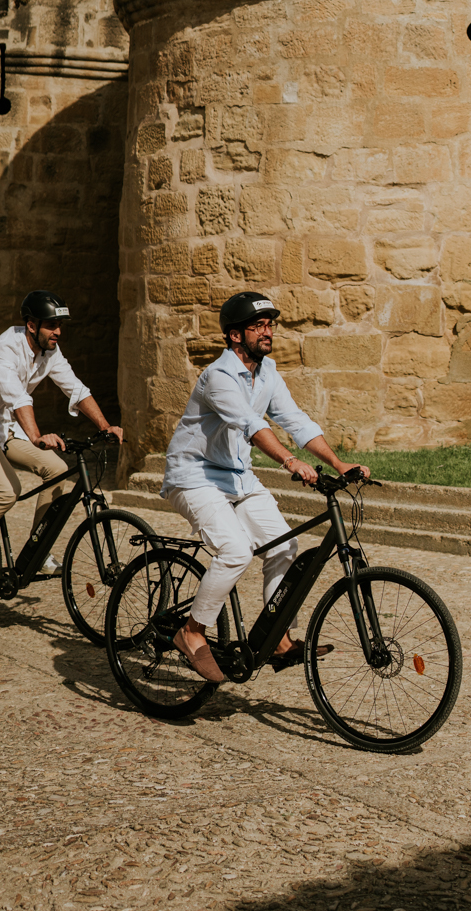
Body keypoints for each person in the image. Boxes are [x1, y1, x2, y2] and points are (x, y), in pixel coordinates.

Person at [161, 289, 369, 683]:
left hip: (236, 474)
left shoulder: (267, 372)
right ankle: (191, 632)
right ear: (235, 335)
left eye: (269, 325)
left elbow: (295, 420)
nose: (267, 331)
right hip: (193, 476)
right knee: (236, 551)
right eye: (258, 326)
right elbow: (252, 426)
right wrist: (290, 461)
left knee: (285, 546)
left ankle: (277, 639)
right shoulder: (218, 376)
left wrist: (339, 463)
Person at [0, 290, 123, 597]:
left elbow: (75, 388)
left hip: (6, 431)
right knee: (8, 491)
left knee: (57, 470)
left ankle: (36, 551)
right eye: (52, 325)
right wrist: (38, 437)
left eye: (59, 325)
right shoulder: (5, 348)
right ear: (31, 325)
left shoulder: (49, 351)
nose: (58, 332)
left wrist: (105, 426)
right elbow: (16, 397)